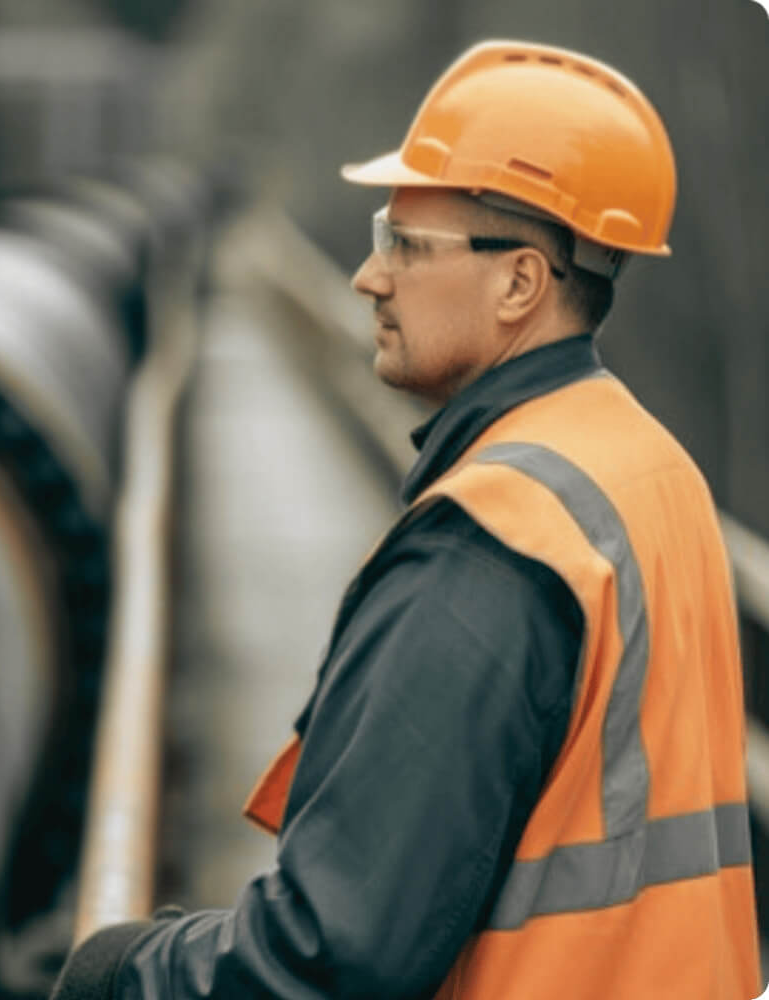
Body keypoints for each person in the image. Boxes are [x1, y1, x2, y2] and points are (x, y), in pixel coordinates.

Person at [50, 39, 760, 1000]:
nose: (367, 278)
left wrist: (123, 971)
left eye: (404, 246)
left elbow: (331, 958)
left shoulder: (494, 547)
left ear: (519, 283)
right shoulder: (653, 470)